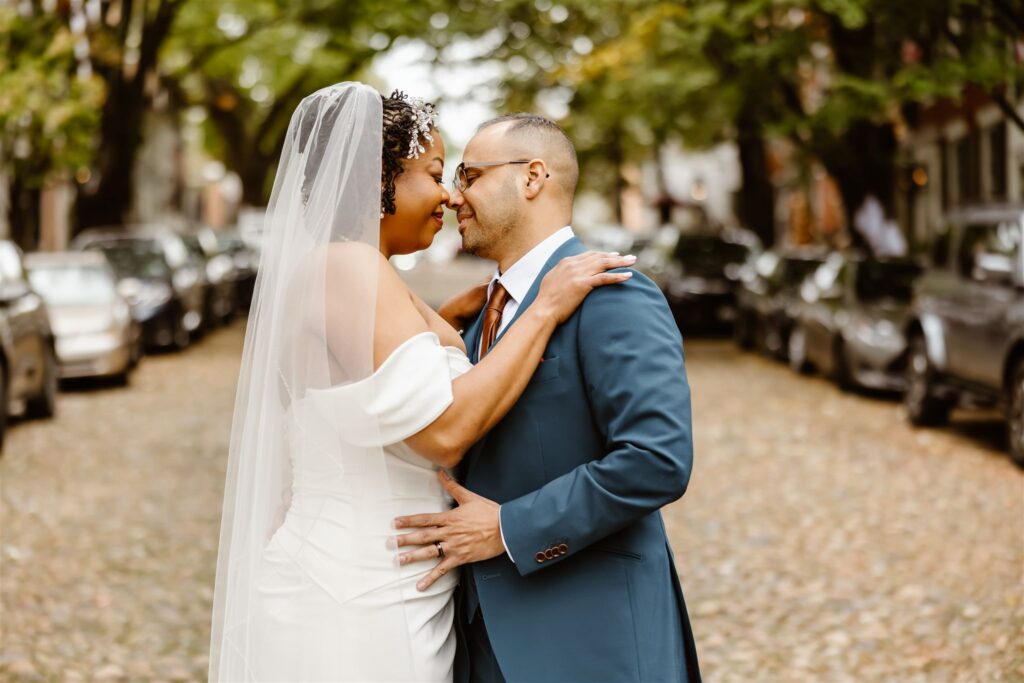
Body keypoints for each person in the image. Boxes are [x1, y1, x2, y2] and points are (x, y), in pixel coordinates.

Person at [208, 83, 633, 682]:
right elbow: (444, 433)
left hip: (394, 582)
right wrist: (543, 310)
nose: (446, 194)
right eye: (434, 173)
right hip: (353, 593)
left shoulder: (364, 270)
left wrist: (456, 320)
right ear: (378, 179)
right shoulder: (346, 265)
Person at [394, 113, 702, 682]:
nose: (455, 197)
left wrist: (509, 528)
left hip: (589, 638)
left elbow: (657, 460)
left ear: (532, 177)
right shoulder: (483, 309)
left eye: (471, 175)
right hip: (481, 636)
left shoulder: (614, 294)